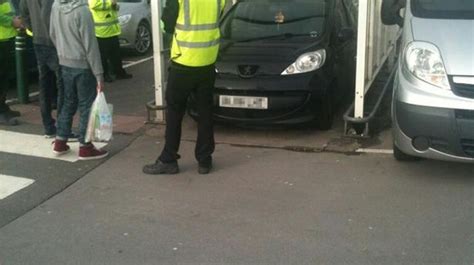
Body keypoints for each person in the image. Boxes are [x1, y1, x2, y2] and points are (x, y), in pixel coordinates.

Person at [143, 0, 225, 175]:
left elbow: (168, 24)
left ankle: (168, 159)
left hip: (184, 61)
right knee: (205, 112)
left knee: (174, 112)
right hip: (208, 60)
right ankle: (204, 160)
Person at [50, 0, 108, 160]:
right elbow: (90, 45)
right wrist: (99, 75)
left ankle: (60, 141)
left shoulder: (56, 5)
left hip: (64, 62)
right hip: (83, 65)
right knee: (86, 106)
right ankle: (85, 146)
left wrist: (63, 52)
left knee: (68, 102)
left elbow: (52, 34)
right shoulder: (82, 11)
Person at [20, 0, 78, 139]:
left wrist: (33, 28)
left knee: (44, 84)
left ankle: (49, 127)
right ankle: (63, 128)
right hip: (53, 41)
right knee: (62, 85)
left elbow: (24, 13)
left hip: (38, 40)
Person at [88, 0, 131, 83]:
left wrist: (115, 6)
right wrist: (110, 3)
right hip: (102, 32)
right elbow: (93, 5)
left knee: (116, 54)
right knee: (103, 56)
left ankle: (119, 73)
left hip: (112, 29)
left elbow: (113, 6)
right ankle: (105, 75)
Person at [0, 0, 22, 126]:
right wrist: (12, 21)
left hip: (5, 37)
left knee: (4, 77)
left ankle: (3, 106)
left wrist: (14, 18)